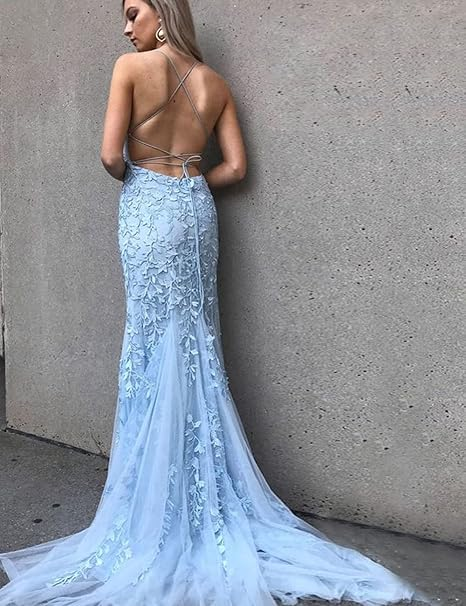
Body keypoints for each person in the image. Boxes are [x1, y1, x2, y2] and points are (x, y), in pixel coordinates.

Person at [0, 1, 437, 605]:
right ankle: (199, 488)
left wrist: (143, 178)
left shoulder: (131, 68)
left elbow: (109, 156)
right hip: (196, 211)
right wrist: (191, 180)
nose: (126, 28)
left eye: (133, 13)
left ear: (162, 12)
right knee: (195, 339)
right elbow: (235, 166)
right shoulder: (215, 83)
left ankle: (151, 502)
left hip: (148, 208)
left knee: (151, 339)